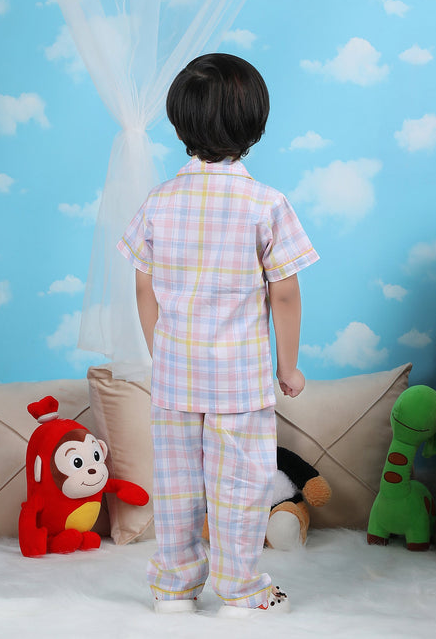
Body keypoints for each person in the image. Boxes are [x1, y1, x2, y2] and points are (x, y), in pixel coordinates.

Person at [118, 53, 319, 618]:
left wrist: (160, 350)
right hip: (239, 380)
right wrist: (287, 366)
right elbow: (284, 294)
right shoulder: (267, 204)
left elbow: (144, 288)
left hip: (175, 379)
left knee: (177, 484)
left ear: (180, 123)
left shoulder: (159, 201)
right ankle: (241, 591)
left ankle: (173, 590)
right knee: (241, 486)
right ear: (256, 124)